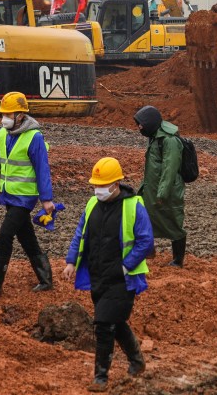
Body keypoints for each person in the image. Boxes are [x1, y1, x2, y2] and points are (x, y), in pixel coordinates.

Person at [62, 157, 153, 392]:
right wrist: (71, 261)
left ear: (116, 184)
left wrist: (126, 265)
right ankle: (136, 360)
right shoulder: (92, 204)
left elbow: (146, 242)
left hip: (122, 279)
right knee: (116, 321)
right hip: (98, 276)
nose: (98, 190)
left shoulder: (133, 206)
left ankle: (100, 377)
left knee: (103, 324)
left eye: (103, 186)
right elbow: (80, 234)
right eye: (96, 185)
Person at [0, 91, 55, 302]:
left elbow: (42, 169)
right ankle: (46, 279)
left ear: (20, 115)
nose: (4, 118)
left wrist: (46, 199)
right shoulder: (2, 134)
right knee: (26, 236)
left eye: (9, 114)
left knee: (5, 235)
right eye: (3, 114)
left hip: (25, 198)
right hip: (9, 196)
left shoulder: (34, 137)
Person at [133, 105, 187, 267]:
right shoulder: (155, 136)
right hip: (151, 190)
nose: (139, 128)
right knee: (143, 219)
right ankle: (148, 251)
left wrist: (162, 194)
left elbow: (169, 169)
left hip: (167, 192)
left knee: (173, 223)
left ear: (150, 123)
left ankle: (178, 260)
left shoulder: (169, 140)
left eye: (141, 124)